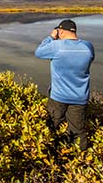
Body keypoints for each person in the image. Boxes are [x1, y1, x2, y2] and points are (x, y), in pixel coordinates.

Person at [35, 19, 95, 150]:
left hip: (58, 97)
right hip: (80, 98)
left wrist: (51, 37)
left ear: (60, 31)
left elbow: (39, 52)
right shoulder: (88, 47)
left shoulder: (57, 47)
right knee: (78, 131)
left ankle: (52, 156)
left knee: (52, 128)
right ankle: (80, 161)